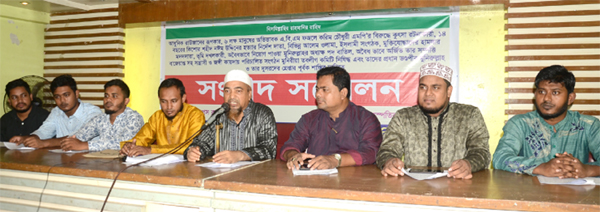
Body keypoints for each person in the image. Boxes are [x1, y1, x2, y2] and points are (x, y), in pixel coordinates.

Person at [377, 62, 490, 179]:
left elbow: (481, 152)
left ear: (449, 91)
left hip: (457, 186)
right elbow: (386, 150)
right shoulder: (404, 116)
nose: (428, 93)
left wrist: (468, 164)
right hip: (414, 189)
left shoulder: (469, 115)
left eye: (435, 87)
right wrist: (389, 161)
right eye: (423, 87)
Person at [493, 65, 599, 178]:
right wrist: (541, 167)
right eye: (542, 92)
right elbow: (500, 158)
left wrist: (586, 170)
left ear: (570, 98)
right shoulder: (520, 124)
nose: (546, 99)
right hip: (529, 193)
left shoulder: (589, 125)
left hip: (576, 194)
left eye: (555, 92)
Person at [280, 66, 382, 170]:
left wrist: (336, 159)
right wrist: (293, 156)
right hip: (316, 181)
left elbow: (371, 152)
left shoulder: (365, 119)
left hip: (354, 182)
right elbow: (290, 146)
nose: (318, 94)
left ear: (343, 93)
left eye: (325, 90)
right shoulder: (309, 118)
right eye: (317, 89)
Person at [184, 70, 277, 163]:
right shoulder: (219, 115)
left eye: (238, 91)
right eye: (227, 91)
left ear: (249, 94)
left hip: (254, 175)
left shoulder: (262, 113)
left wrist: (240, 155)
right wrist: (194, 151)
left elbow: (269, 150)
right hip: (220, 174)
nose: (232, 96)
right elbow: (202, 143)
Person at [9, 75, 102, 148]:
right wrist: (26, 138)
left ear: (76, 94)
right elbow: (44, 131)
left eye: (66, 95)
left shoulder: (92, 112)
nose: (62, 100)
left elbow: (80, 136)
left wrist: (44, 143)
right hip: (62, 161)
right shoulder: (56, 112)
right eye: (57, 97)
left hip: (89, 161)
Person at [120, 78, 205, 156]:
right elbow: (142, 138)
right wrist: (129, 145)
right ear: (159, 99)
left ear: (183, 98)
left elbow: (191, 147)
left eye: (173, 101)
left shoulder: (195, 115)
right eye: (164, 101)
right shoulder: (157, 117)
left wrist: (151, 150)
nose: (168, 106)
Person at [60, 79, 144, 151]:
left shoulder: (134, 118)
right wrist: (70, 142)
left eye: (114, 96)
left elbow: (125, 144)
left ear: (126, 101)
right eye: (106, 96)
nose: (108, 99)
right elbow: (80, 136)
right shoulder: (100, 119)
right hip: (102, 163)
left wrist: (85, 145)